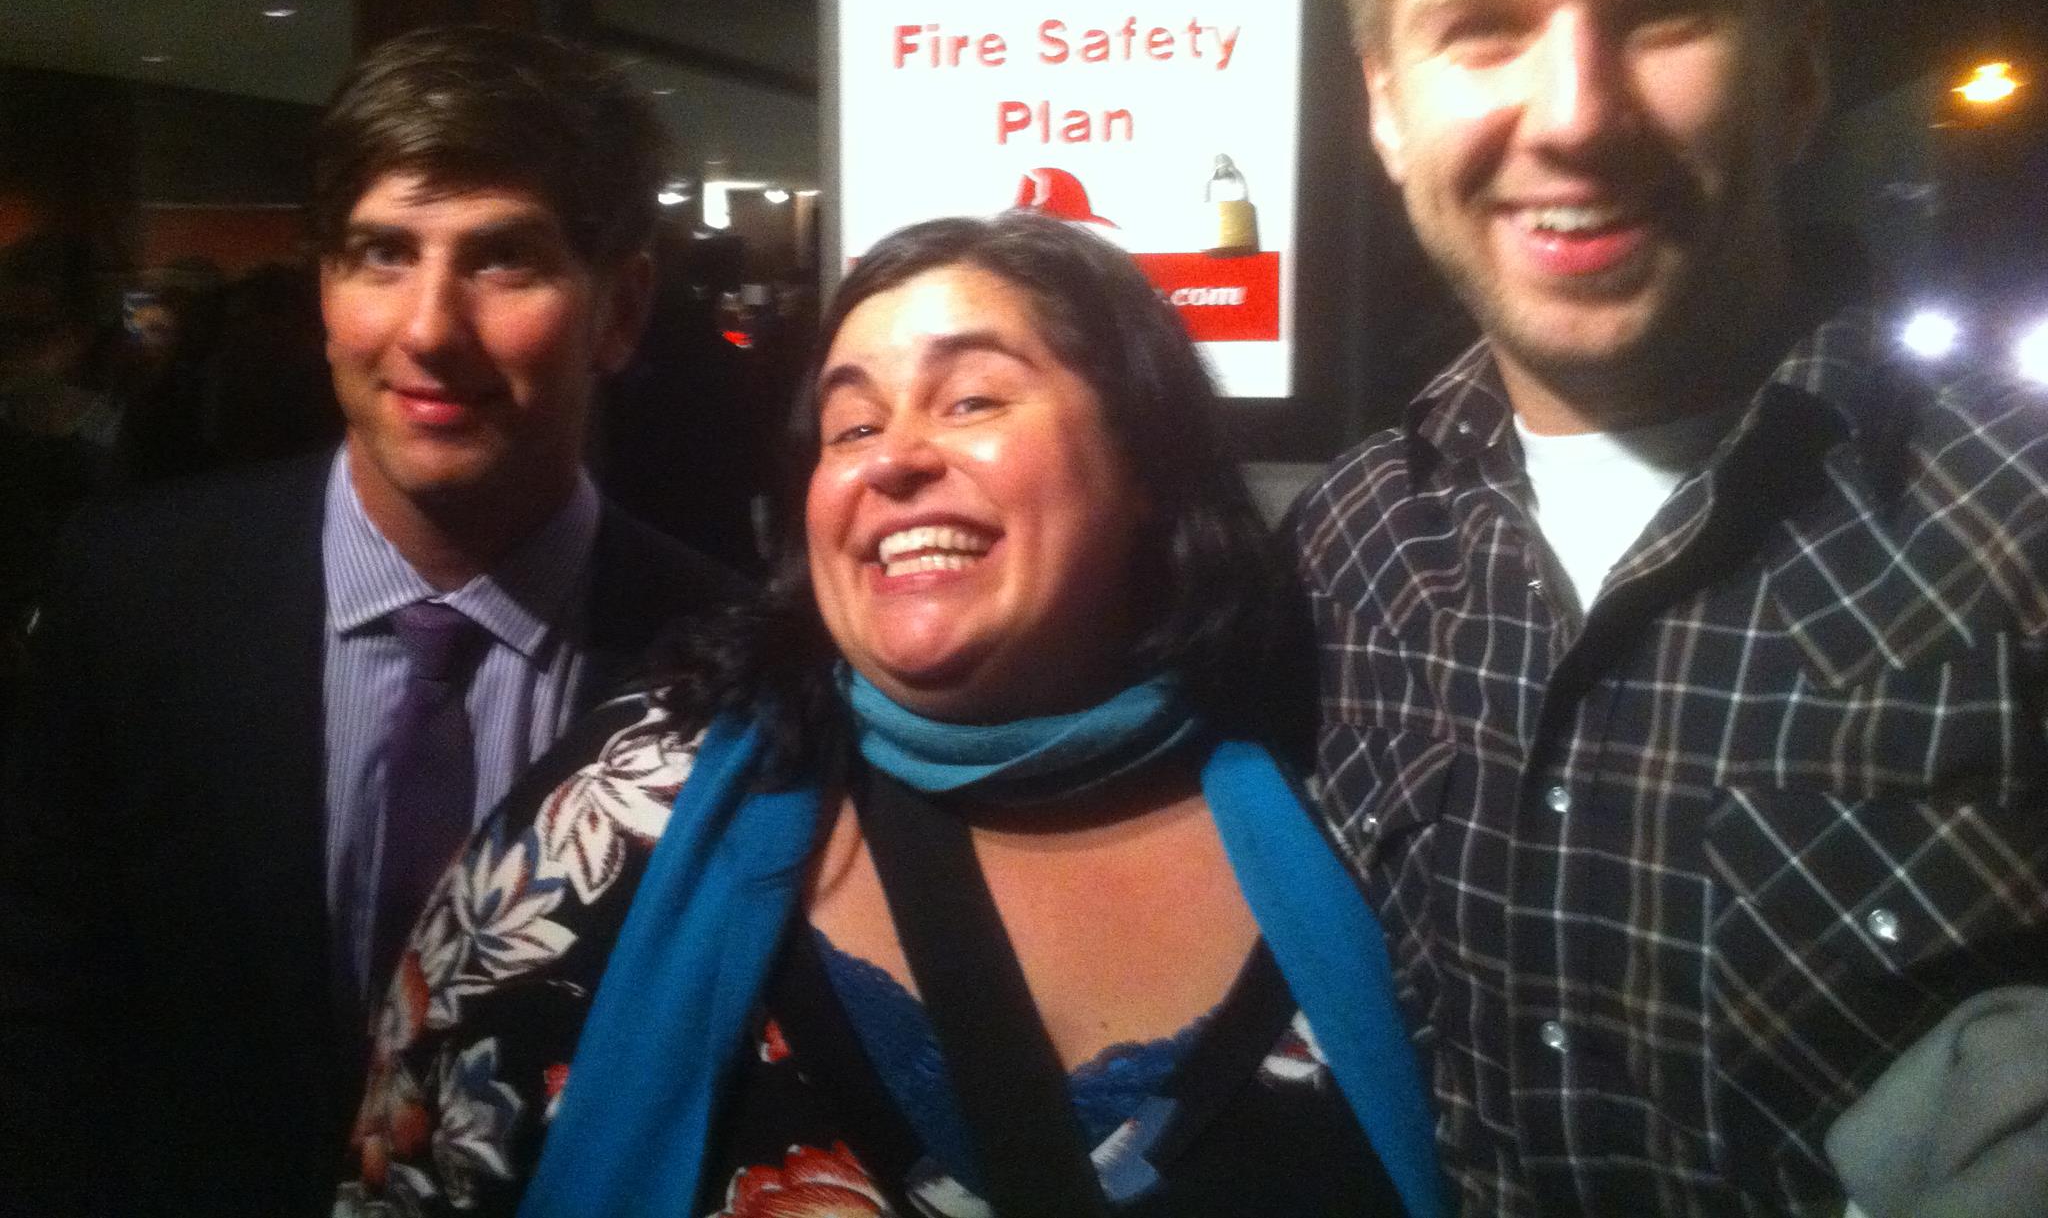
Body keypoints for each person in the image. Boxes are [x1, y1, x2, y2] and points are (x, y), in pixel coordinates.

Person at [1294, 0, 2048, 1215]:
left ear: (1797, 70)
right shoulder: (1342, 550)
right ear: (1387, 104)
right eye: (1484, 26)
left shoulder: (2019, 532)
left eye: (1663, 10)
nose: (1575, 113)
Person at [335, 211, 1441, 1218]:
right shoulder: (614, 822)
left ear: (1144, 457)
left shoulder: (1346, 797)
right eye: (850, 424)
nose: (896, 458)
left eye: (971, 399)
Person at [0, 24, 740, 1217]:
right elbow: (42, 1002)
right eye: (382, 254)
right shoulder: (135, 590)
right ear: (325, 292)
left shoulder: (724, 655)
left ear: (621, 308)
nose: (428, 328)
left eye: (503, 260)